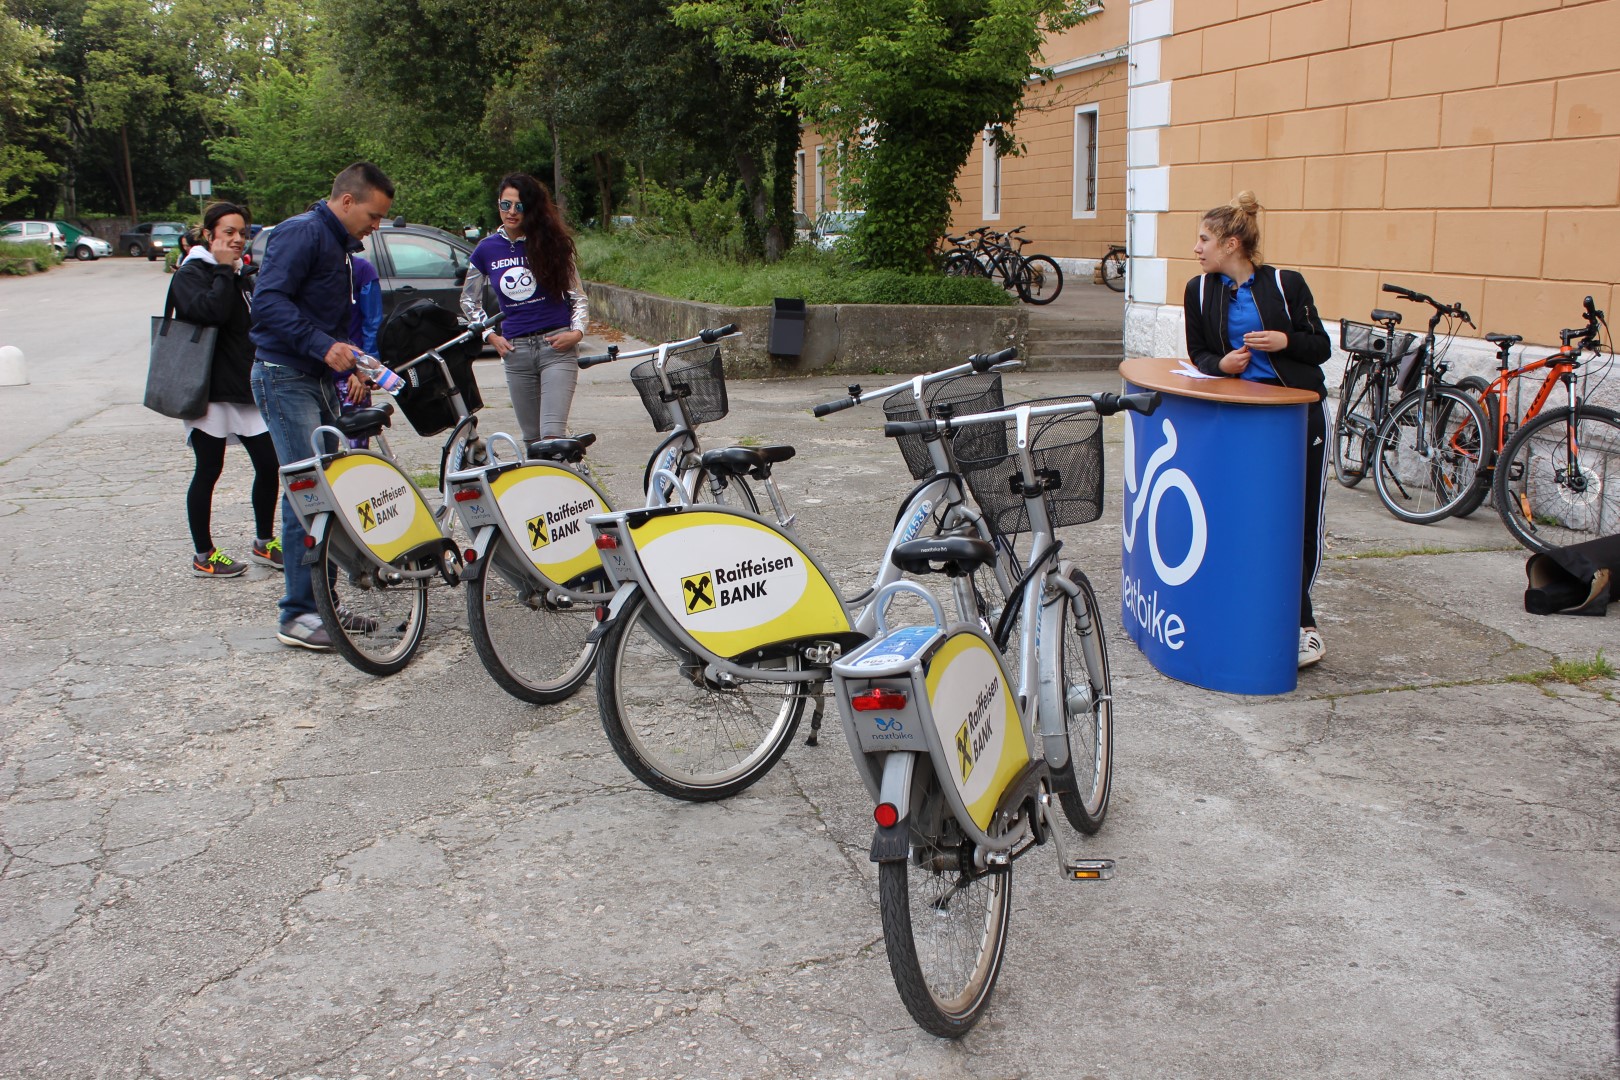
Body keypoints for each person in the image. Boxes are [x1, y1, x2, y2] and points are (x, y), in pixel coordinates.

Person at [1183, 191, 1332, 669]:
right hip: (1240, 421)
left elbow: (1321, 347)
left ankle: (1303, 626)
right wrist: (1221, 363)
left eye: (1204, 239)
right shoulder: (1199, 290)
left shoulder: (1286, 285)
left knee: (1298, 518)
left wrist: (1285, 340)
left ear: (1231, 243)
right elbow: (1198, 353)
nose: (1197, 248)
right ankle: (1239, 609)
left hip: (1294, 419)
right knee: (1239, 517)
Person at [250, 162, 395, 650]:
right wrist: (320, 345)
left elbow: (326, 315)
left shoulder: (338, 245)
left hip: (313, 377)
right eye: (373, 216)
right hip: (283, 376)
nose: (376, 228)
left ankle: (322, 606)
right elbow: (268, 302)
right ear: (348, 200)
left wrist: (347, 364)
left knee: (327, 492)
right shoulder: (302, 233)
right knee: (305, 496)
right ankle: (297, 615)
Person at [166, 202, 282, 578]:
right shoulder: (192, 273)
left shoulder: (240, 274)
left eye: (241, 232)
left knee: (269, 464)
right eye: (228, 232)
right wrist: (221, 270)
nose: (236, 239)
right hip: (209, 390)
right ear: (208, 235)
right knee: (209, 469)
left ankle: (265, 542)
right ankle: (204, 553)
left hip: (244, 386)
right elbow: (210, 312)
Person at [460, 172, 588, 442]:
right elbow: (468, 300)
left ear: (531, 208)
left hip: (556, 347)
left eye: (520, 206)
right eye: (506, 205)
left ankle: (570, 476)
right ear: (498, 205)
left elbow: (577, 296)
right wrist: (489, 335)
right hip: (516, 353)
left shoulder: (550, 243)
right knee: (532, 441)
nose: (512, 212)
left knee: (552, 438)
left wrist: (576, 333)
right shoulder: (486, 250)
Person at [337, 254, 383, 448]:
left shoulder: (362, 269)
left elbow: (372, 323)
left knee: (357, 448)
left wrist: (363, 370)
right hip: (314, 375)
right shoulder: (306, 268)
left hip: (351, 374)